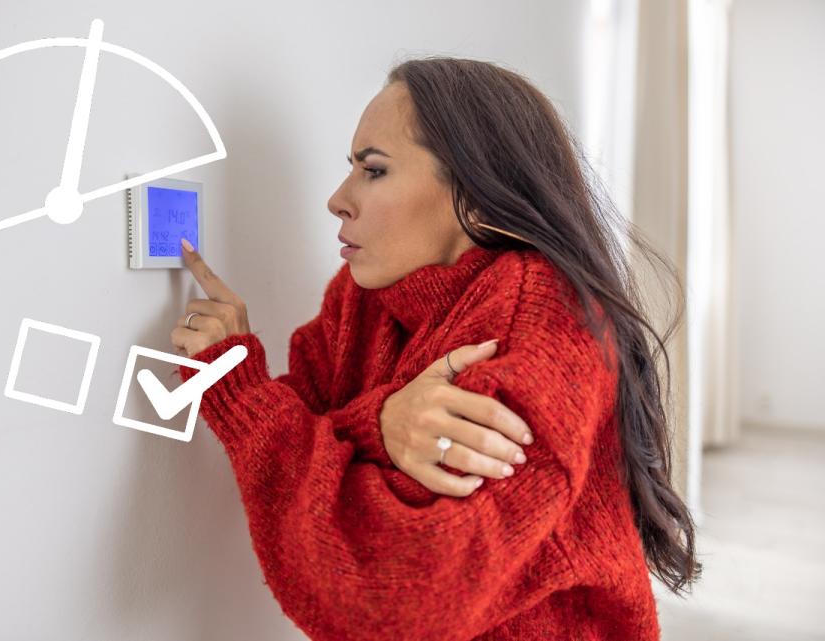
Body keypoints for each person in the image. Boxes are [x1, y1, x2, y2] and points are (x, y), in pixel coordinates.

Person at [169, 56, 700, 641]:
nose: (337, 200)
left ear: (473, 197)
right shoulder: (365, 295)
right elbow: (308, 412)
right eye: (350, 169)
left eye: (373, 171)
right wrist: (381, 421)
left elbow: (399, 598)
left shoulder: (544, 323)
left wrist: (248, 403)